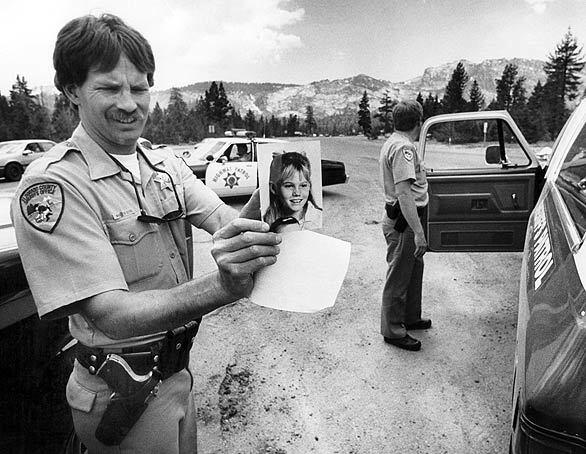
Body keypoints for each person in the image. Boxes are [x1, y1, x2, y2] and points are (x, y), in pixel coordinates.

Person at [10, 13, 281, 453]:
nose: (129, 103)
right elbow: (110, 313)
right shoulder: (55, 186)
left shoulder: (162, 165)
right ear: (72, 91)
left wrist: (270, 217)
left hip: (176, 376)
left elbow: (222, 220)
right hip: (121, 395)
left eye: (138, 88)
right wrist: (222, 287)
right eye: (109, 87)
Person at [379, 100, 431, 352]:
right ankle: (393, 330)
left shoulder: (395, 142)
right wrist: (419, 232)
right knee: (399, 277)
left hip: (406, 219)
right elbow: (404, 194)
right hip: (404, 223)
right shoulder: (403, 149)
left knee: (413, 271)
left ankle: (410, 316)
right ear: (418, 123)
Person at [262, 151, 322, 231]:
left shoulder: (317, 218)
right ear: (274, 189)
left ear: (309, 186)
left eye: (303, 185)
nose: (297, 193)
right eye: (289, 186)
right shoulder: (264, 220)